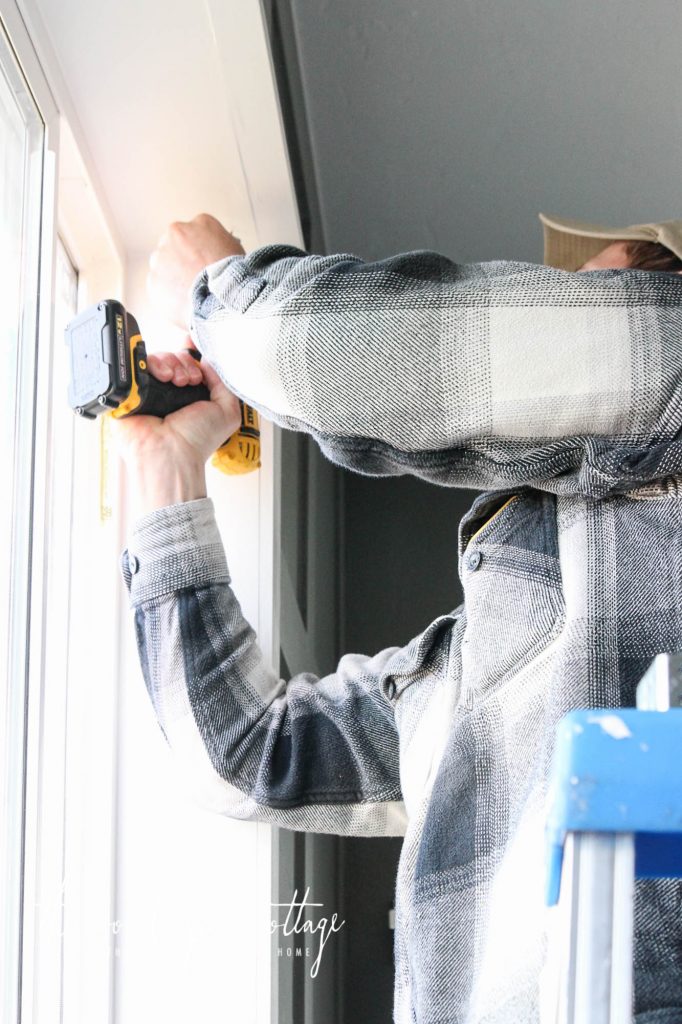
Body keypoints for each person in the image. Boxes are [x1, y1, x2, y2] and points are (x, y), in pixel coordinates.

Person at [114, 211, 682, 1024]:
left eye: (583, 293)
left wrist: (217, 292)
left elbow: (330, 351)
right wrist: (162, 472)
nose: (547, 307)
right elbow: (244, 755)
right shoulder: (475, 680)